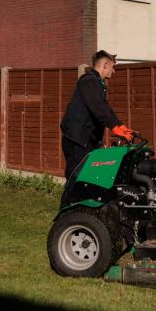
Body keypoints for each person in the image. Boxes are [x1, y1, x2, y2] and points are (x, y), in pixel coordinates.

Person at [59, 50, 133, 207]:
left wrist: (120, 126)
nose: (113, 71)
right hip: (77, 139)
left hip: (86, 140)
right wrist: (114, 127)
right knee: (76, 178)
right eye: (112, 67)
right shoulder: (88, 81)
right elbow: (97, 107)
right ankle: (65, 216)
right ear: (105, 65)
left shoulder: (98, 84)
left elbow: (106, 109)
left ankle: (82, 211)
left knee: (86, 178)